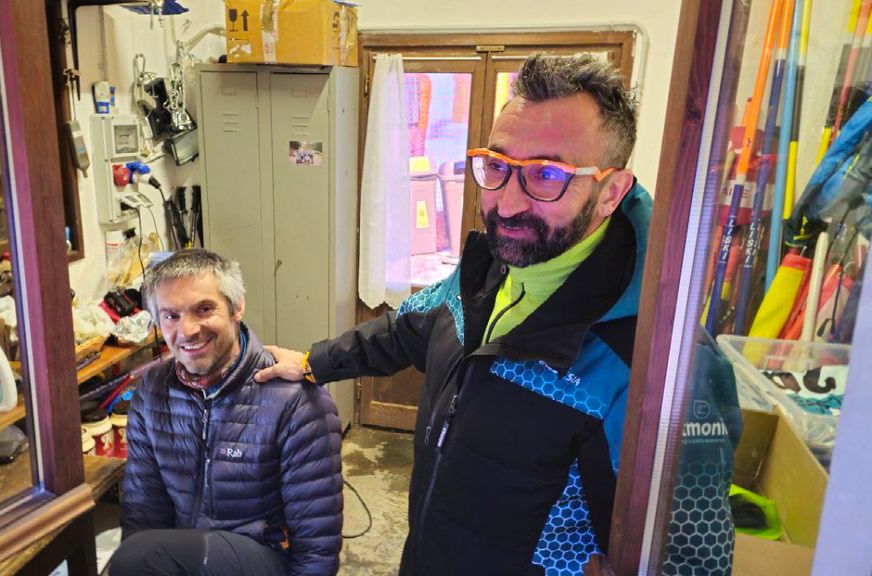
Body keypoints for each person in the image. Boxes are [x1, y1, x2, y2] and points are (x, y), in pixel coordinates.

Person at [256, 54, 654, 575]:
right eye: (497, 166)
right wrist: (313, 362)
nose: (506, 205)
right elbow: (402, 331)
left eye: (547, 174)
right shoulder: (484, 271)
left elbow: (681, 552)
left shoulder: (649, 360)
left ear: (611, 192)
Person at [111, 249, 343, 576]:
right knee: (134, 555)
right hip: (188, 554)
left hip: (264, 557)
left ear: (237, 307)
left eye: (204, 309)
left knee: (137, 557)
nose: (187, 330)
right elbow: (144, 511)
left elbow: (317, 544)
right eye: (171, 316)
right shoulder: (152, 391)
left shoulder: (296, 399)